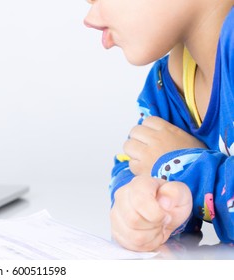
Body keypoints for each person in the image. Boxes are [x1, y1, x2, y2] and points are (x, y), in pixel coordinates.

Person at [84, 0, 234, 252]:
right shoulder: (168, 84)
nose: (87, 15)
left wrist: (180, 169)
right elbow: (140, 158)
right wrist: (141, 206)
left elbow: (165, 161)